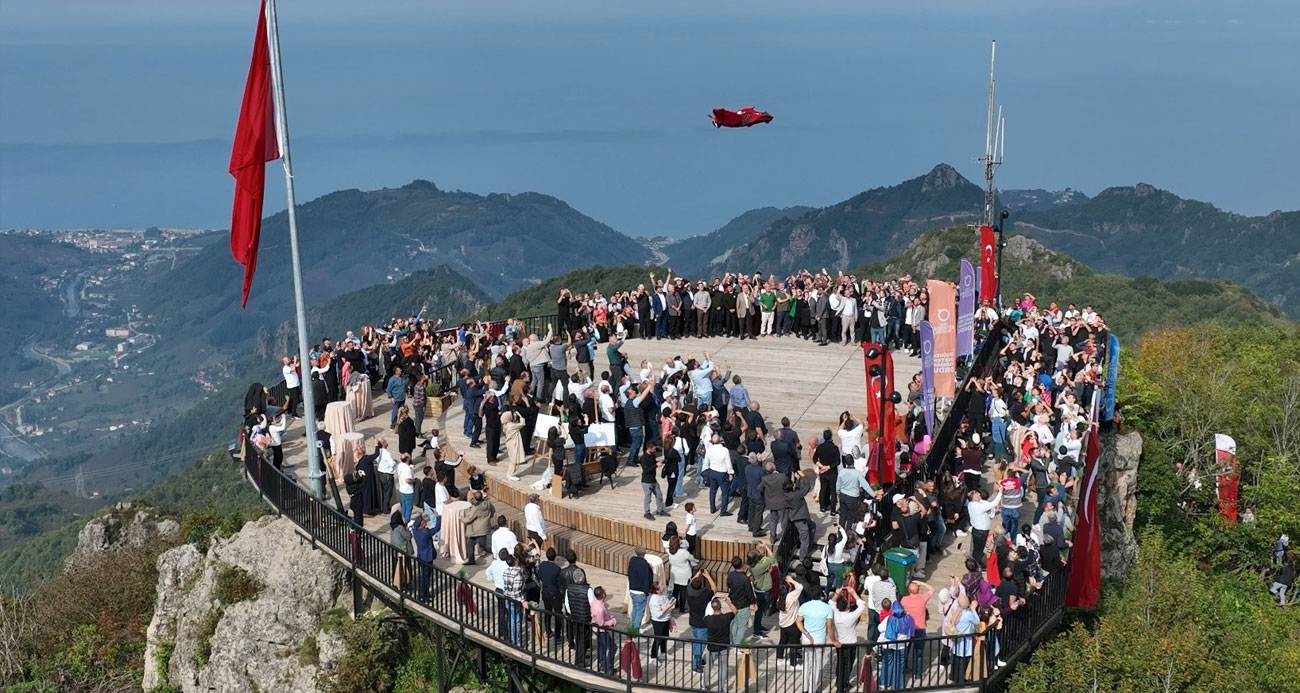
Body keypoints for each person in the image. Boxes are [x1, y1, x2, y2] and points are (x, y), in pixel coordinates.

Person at [795, 586, 837, 693]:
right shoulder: (827, 608)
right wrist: (833, 639)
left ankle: (805, 687)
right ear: (821, 595)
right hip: (819, 639)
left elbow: (798, 621)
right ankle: (813, 688)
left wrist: (805, 632)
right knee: (817, 664)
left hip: (806, 638)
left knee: (806, 663)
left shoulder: (804, 606)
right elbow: (829, 626)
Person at [832, 585, 866, 693]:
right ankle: (842, 686)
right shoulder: (850, 616)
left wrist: (837, 593)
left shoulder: (835, 614)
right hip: (850, 644)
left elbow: (831, 603)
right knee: (847, 666)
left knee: (840, 663)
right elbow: (861, 605)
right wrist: (853, 593)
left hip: (839, 643)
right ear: (847, 607)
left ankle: (839, 682)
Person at [900, 580, 934, 677]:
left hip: (907, 628)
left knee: (905, 649)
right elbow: (932, 589)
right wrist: (921, 583)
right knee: (919, 652)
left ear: (909, 590)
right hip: (920, 628)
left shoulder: (904, 600)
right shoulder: (922, 598)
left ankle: (903, 668)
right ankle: (918, 673)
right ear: (918, 590)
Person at [704, 595, 737, 691]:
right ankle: (721, 688)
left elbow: (705, 616)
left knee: (708, 667)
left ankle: (704, 685)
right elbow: (735, 611)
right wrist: (727, 601)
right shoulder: (726, 617)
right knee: (723, 668)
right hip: (723, 647)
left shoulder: (707, 619)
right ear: (720, 607)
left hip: (711, 647)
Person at [686, 569, 717, 673]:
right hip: (702, 624)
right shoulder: (704, 595)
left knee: (696, 643)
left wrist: (698, 574)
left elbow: (691, 583)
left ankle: (697, 660)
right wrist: (707, 576)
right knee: (700, 645)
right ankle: (695, 665)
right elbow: (714, 588)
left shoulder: (689, 592)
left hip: (693, 622)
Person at [564, 568, 593, 666]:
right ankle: (579, 661)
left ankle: (581, 656)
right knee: (583, 639)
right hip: (585, 618)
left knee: (579, 638)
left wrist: (572, 613)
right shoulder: (588, 590)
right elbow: (592, 605)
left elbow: (567, 605)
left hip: (574, 617)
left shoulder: (569, 588)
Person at [460, 490, 495, 566]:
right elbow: (493, 511)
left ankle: (471, 559)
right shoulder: (488, 503)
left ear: (474, 498)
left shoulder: (476, 508)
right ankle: (483, 550)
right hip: (485, 527)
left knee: (470, 543)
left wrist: (461, 518)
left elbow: (469, 518)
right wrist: (488, 517)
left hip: (476, 529)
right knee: (482, 541)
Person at [591, 586, 618, 672]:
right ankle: (608, 667)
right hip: (601, 630)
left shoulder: (595, 602)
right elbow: (601, 623)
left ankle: (603, 664)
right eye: (604, 592)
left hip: (595, 629)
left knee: (601, 646)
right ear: (603, 595)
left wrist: (609, 617)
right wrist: (611, 622)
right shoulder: (600, 609)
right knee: (613, 647)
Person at [640, 441, 669, 520]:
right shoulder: (643, 458)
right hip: (646, 481)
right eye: (654, 448)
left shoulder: (652, 455)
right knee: (648, 497)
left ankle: (659, 510)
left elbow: (652, 464)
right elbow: (646, 470)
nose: (655, 450)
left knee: (659, 495)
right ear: (649, 448)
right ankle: (647, 512)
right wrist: (656, 465)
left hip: (653, 480)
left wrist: (658, 462)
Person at [628, 545, 653, 634]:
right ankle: (635, 633)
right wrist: (647, 592)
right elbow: (647, 579)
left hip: (632, 590)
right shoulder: (644, 564)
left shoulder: (632, 560)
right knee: (639, 613)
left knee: (635, 610)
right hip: (640, 592)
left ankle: (632, 629)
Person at [648, 581, 675, 662]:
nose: (663, 586)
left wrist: (670, 605)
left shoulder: (663, 594)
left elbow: (666, 602)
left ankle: (663, 652)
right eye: (661, 586)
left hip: (666, 619)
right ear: (657, 590)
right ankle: (653, 657)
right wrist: (668, 607)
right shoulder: (654, 600)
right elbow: (658, 614)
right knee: (658, 639)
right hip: (658, 621)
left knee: (665, 637)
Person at [396, 452, 416, 523]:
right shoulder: (407, 469)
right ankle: (406, 522)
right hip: (408, 490)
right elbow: (408, 480)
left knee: (404, 506)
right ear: (407, 458)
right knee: (409, 508)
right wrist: (414, 480)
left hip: (402, 489)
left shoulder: (400, 465)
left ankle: (403, 519)